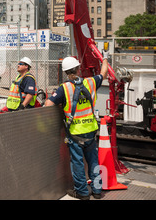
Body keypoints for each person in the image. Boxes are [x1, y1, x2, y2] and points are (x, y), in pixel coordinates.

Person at [45, 52, 109, 200]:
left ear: (66, 73)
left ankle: (82, 192)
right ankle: (97, 191)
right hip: (91, 131)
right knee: (93, 161)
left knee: (78, 163)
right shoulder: (91, 82)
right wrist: (105, 58)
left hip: (75, 133)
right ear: (78, 69)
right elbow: (104, 73)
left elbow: (48, 104)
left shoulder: (64, 88)